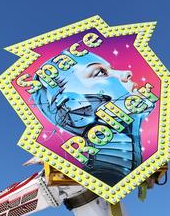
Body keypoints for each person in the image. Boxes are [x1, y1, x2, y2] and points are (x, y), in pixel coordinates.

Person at [32, 50, 154, 186]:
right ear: (70, 104)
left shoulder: (139, 129)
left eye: (110, 69)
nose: (126, 73)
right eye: (100, 73)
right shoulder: (101, 173)